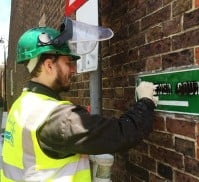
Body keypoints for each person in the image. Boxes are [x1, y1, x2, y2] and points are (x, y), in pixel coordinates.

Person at [1, 27, 158, 182]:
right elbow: (121, 134)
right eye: (68, 62)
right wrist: (145, 101)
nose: (73, 70)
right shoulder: (59, 117)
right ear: (49, 65)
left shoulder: (21, 104)